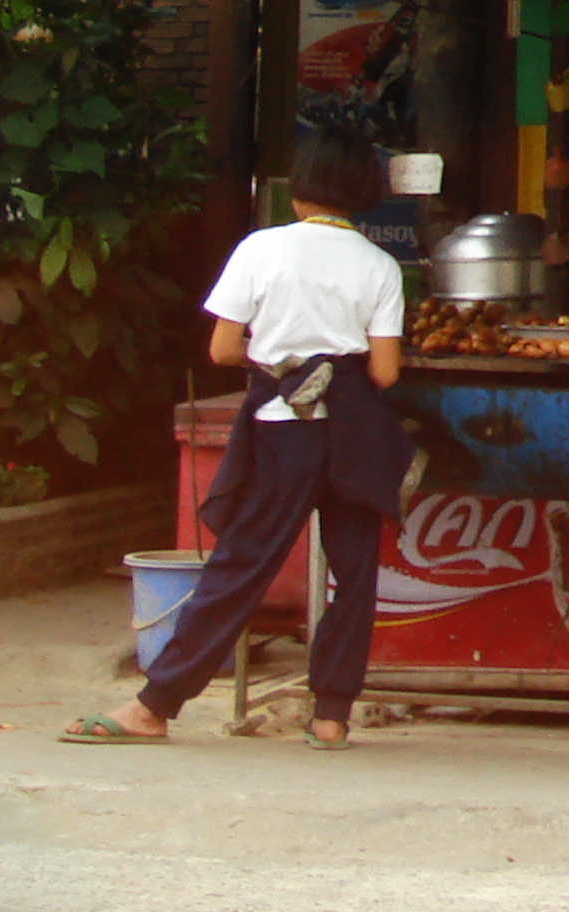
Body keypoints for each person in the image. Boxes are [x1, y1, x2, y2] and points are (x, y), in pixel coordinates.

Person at [61, 134, 411, 750]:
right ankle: (331, 717)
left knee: (242, 565)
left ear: (298, 189)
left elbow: (223, 349)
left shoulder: (261, 248)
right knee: (354, 575)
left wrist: (283, 362)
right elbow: (384, 373)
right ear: (364, 195)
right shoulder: (379, 265)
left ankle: (155, 704)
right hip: (356, 432)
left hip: (284, 431)